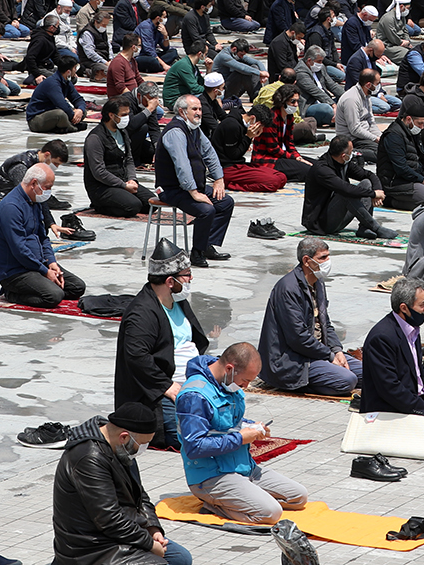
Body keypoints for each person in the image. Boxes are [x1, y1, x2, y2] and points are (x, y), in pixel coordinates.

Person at [176, 342, 308, 524]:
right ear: (230, 369)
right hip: (211, 475)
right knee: (271, 513)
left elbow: (229, 422)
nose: (246, 386)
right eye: (245, 381)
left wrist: (253, 427)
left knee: (298, 497)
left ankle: (246, 497)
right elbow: (195, 447)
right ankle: (214, 505)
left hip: (243, 467)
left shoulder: (227, 381)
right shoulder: (194, 396)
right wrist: (240, 438)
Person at [52, 403, 193, 565]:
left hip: (118, 533)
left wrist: (153, 528)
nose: (143, 449)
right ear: (124, 437)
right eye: (142, 444)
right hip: (91, 547)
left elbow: (140, 495)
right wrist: (148, 544)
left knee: (181, 558)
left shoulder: (120, 447)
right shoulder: (88, 458)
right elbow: (108, 518)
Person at [114, 240, 207, 453]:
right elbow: (136, 356)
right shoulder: (142, 313)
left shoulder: (178, 301)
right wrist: (167, 386)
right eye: (186, 274)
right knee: (190, 438)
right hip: (162, 390)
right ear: (170, 281)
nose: (191, 278)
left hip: (192, 380)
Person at [257, 237, 363, 396]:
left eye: (328, 256)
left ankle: (327, 373)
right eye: (322, 258)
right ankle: (296, 385)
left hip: (319, 352)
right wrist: (330, 356)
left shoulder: (318, 282)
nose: (328, 261)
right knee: (347, 381)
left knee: (369, 373)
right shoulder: (288, 289)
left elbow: (325, 323)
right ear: (307, 260)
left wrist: (337, 350)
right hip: (294, 359)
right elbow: (298, 338)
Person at [359, 279, 424, 427]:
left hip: (415, 405)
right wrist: (422, 409)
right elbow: (389, 387)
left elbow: (419, 373)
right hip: (391, 412)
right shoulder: (382, 338)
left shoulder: (411, 329)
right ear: (404, 308)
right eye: (422, 304)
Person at [157, 94, 236, 268]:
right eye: (194, 109)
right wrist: (194, 192)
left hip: (192, 187)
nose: (199, 113)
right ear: (182, 111)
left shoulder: (194, 129)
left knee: (225, 202)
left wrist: (219, 179)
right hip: (172, 189)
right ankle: (197, 252)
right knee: (206, 210)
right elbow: (182, 164)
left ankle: (207, 245)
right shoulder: (175, 132)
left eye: (200, 109)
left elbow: (210, 153)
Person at [0, 163, 87, 308]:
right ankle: (10, 293)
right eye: (47, 187)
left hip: (39, 263)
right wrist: (44, 272)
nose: (48, 192)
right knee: (54, 296)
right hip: (16, 271)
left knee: (76, 287)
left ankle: (39, 283)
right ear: (34, 183)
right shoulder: (10, 208)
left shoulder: (34, 201)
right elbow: (19, 249)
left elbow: (43, 236)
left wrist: (51, 262)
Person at [0, 141, 72, 244]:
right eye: (55, 163)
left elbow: (39, 196)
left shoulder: (35, 163)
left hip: (2, 204)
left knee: (39, 230)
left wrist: (50, 223)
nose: (56, 167)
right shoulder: (20, 167)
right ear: (47, 155)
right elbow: (29, 195)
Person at [301, 135, 390, 239]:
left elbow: (369, 175)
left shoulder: (343, 162)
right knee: (345, 194)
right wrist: (373, 194)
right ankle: (374, 227)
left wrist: (377, 190)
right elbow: (345, 189)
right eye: (351, 151)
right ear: (343, 155)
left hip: (339, 216)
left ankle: (364, 228)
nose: (352, 154)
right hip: (321, 223)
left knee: (366, 183)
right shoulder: (322, 170)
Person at [84, 97, 154, 217]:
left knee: (151, 203)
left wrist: (132, 179)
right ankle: (100, 206)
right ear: (111, 115)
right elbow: (99, 172)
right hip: (102, 186)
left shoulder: (122, 132)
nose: (127, 118)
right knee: (133, 206)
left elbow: (129, 159)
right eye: (124, 114)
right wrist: (124, 186)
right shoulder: (95, 138)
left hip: (122, 179)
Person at [376, 99, 424, 210]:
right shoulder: (393, 136)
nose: (422, 127)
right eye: (420, 123)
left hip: (414, 178)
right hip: (396, 182)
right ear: (409, 119)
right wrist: (423, 180)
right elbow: (401, 168)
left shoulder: (414, 131)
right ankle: (391, 201)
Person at [27, 56, 89, 133]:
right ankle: (72, 127)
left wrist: (80, 110)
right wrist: (73, 115)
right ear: (68, 72)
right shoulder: (52, 83)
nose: (76, 70)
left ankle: (62, 126)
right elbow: (62, 104)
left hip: (52, 113)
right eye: (75, 68)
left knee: (83, 112)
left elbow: (78, 99)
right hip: (37, 119)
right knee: (60, 114)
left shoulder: (66, 82)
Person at [334, 67, 381, 153]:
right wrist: (375, 138)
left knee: (389, 146)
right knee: (380, 152)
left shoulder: (367, 96)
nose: (379, 86)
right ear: (368, 85)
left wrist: (380, 137)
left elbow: (371, 121)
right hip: (352, 139)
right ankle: (352, 152)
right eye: (377, 84)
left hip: (364, 136)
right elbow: (355, 129)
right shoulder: (351, 99)